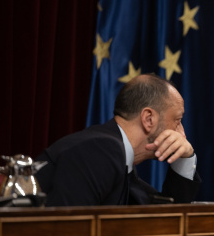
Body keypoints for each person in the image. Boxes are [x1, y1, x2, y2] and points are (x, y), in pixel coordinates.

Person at [35, 74, 201, 206]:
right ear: (149, 119)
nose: (182, 134)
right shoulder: (101, 150)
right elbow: (67, 235)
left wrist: (184, 160)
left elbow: (165, 221)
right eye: (178, 121)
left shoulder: (118, 159)